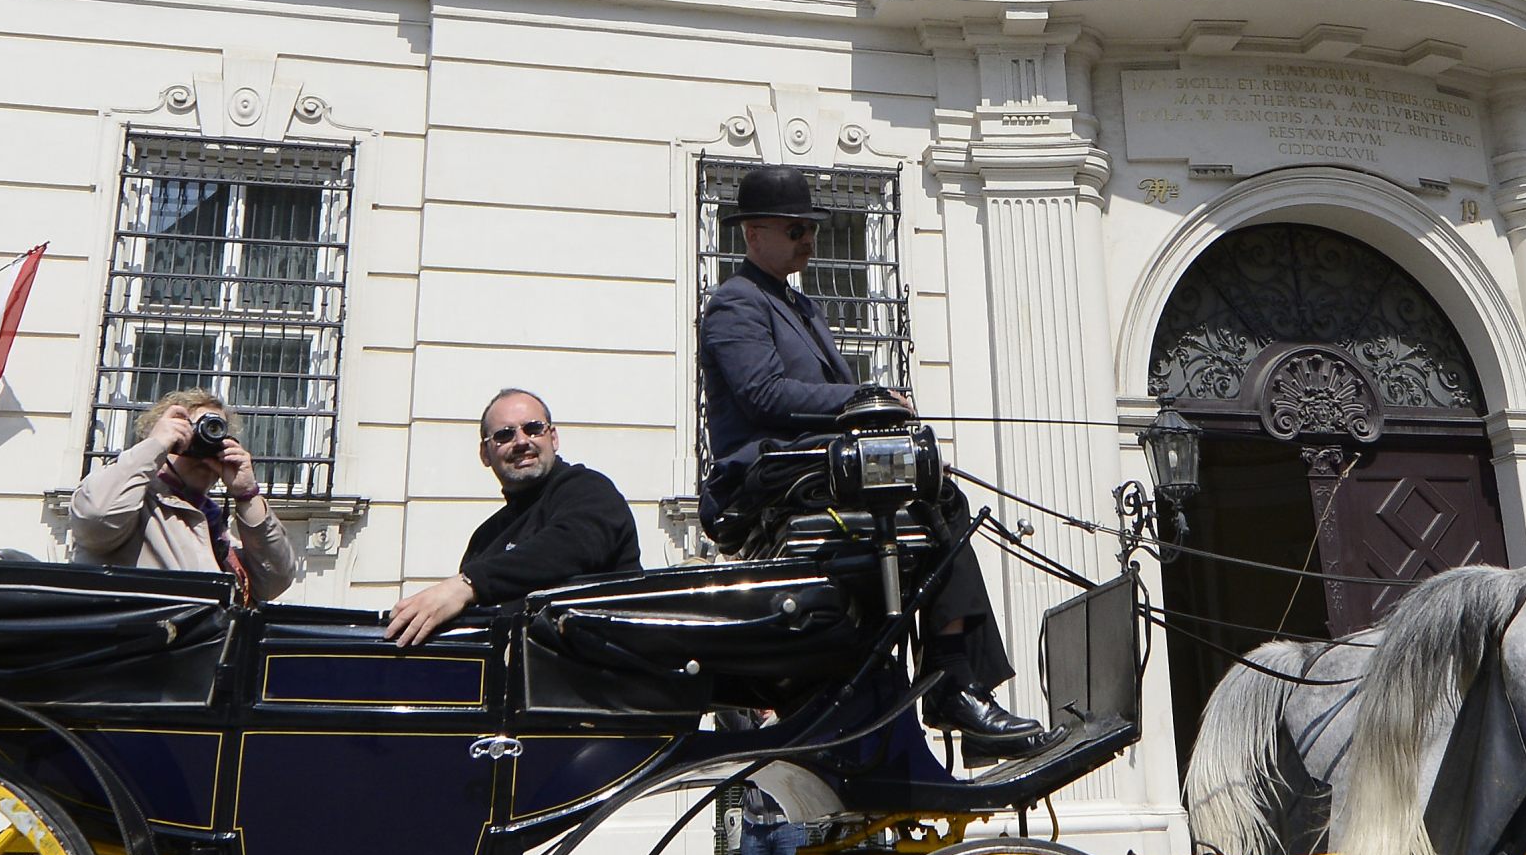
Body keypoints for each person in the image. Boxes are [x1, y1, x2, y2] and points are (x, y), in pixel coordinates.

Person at [697, 165, 1044, 759]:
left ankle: (953, 678)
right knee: (937, 498)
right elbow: (763, 394)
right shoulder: (735, 303)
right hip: (771, 472)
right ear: (753, 233)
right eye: (795, 229)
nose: (809, 241)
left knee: (939, 494)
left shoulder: (800, 306)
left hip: (813, 465)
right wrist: (866, 399)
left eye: (811, 229)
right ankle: (955, 681)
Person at [381, 391, 643, 645]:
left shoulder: (590, 490)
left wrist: (466, 586)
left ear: (553, 438)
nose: (521, 441)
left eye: (533, 428)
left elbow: (568, 547)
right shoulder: (487, 537)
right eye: (504, 435)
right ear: (485, 454)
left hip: (598, 682)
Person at [62, 390, 303, 603]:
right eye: (191, 434)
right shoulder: (130, 497)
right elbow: (97, 519)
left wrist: (247, 494)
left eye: (215, 436)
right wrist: (154, 446)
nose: (203, 448)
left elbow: (274, 580)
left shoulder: (213, 528)